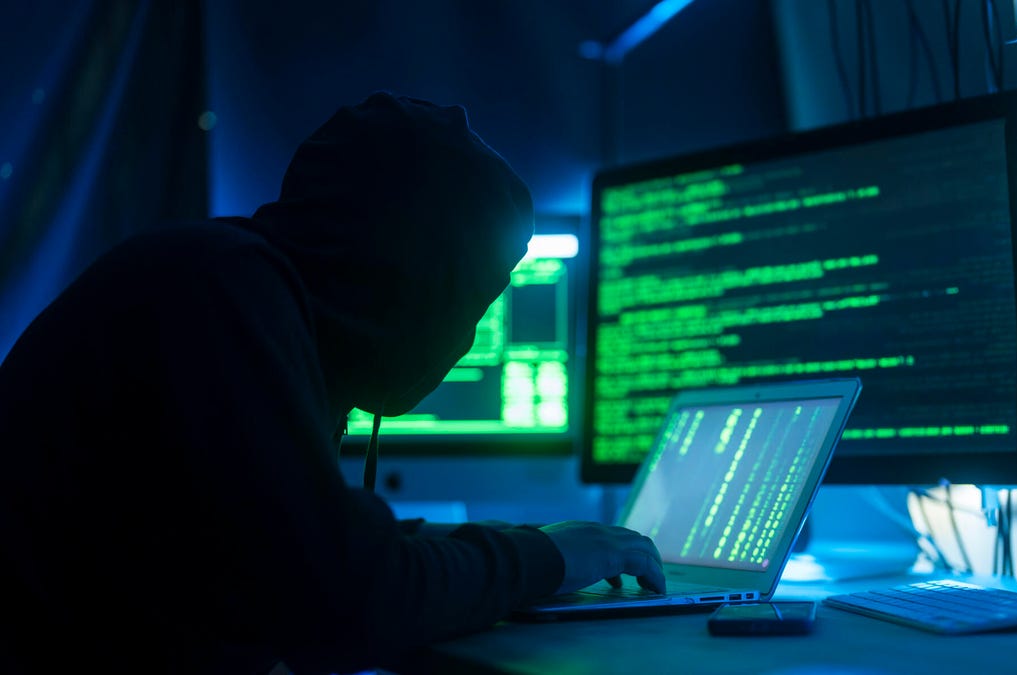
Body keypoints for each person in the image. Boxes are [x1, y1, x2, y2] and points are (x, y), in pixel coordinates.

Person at [0, 92, 665, 674]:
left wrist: (507, 547)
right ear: (411, 286)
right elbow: (346, 599)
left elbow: (299, 545)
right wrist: (543, 558)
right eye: (471, 303)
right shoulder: (220, 292)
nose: (463, 339)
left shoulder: (227, 278)